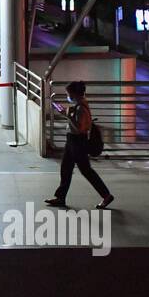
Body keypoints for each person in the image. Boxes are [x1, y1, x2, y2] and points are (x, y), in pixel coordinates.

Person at [45, 81, 113, 209]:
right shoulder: (79, 105)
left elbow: (80, 128)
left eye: (68, 94)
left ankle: (106, 195)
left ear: (75, 94)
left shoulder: (81, 108)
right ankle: (60, 197)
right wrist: (67, 113)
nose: (67, 96)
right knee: (66, 168)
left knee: (86, 171)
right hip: (72, 141)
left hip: (77, 142)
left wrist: (67, 115)